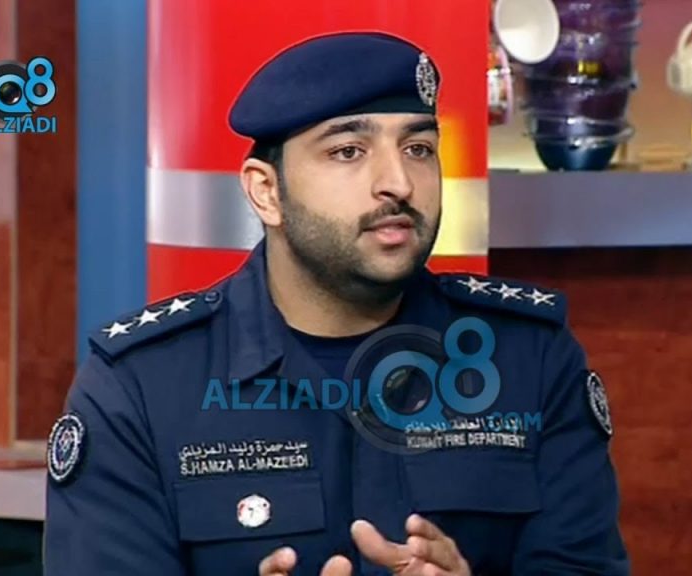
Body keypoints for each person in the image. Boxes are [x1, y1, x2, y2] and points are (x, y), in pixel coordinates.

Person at [44, 31, 630, 575]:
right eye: (349, 151)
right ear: (266, 192)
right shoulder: (139, 388)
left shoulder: (530, 358)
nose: (398, 182)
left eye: (419, 147)